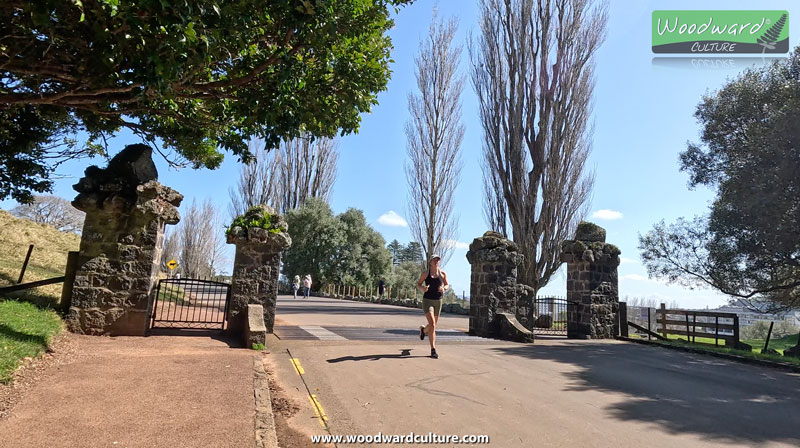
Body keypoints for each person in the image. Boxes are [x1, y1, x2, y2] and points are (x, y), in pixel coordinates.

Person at [417, 254, 449, 359]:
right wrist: (422, 288)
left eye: (438, 260)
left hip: (438, 301)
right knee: (433, 324)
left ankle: (423, 330)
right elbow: (418, 284)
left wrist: (444, 288)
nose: (436, 261)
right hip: (428, 301)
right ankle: (433, 350)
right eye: (434, 260)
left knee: (432, 326)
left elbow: (447, 285)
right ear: (430, 262)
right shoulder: (425, 274)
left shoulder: (442, 274)